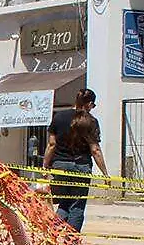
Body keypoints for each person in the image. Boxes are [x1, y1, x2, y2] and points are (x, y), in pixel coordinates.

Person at [43, 88, 109, 233]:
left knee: (65, 202)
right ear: (89, 103)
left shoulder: (59, 117)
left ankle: (52, 235)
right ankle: (70, 244)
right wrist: (105, 173)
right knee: (77, 206)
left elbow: (52, 144)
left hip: (59, 166)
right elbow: (95, 149)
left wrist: (45, 166)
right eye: (93, 105)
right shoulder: (90, 121)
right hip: (81, 167)